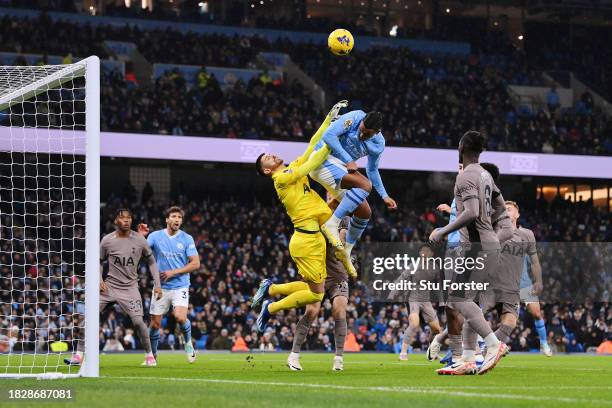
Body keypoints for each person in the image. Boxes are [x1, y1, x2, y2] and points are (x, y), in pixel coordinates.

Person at [251, 101, 352, 333]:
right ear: (267, 170)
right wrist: (332, 142)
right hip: (305, 241)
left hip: (315, 237)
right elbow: (312, 162)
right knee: (314, 294)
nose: (271, 155)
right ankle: (271, 306)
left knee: (314, 289)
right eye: (267, 157)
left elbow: (312, 145)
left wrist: (328, 120)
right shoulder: (280, 179)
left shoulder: (291, 167)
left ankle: (272, 290)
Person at [429, 131, 508, 375]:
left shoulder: (465, 177)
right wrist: (488, 226)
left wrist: (444, 230)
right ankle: (467, 359)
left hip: (478, 247)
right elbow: (501, 207)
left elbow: (472, 211)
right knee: (461, 300)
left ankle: (493, 344)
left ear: (461, 146)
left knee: (459, 298)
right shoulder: (486, 174)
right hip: (487, 244)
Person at [64, 209, 162, 367]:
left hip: (130, 288)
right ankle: (79, 355)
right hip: (109, 287)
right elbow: (98, 261)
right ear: (116, 220)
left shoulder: (140, 240)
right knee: (88, 318)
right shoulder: (107, 240)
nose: (126, 221)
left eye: (129, 218)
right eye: (123, 218)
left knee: (138, 322)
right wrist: (99, 278)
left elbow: (151, 261)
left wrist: (157, 284)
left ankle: (149, 355)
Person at [310, 109, 398, 277]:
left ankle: (346, 250)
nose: (361, 135)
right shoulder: (355, 117)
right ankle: (331, 223)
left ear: (377, 132)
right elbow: (329, 135)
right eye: (361, 130)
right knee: (365, 185)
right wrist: (348, 159)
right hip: (322, 160)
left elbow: (372, 169)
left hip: (340, 170)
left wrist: (384, 195)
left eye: (367, 134)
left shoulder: (379, 144)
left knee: (364, 212)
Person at [287, 193, 350, 372]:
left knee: (339, 310)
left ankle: (339, 358)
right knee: (312, 311)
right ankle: (294, 355)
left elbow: (342, 239)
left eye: (336, 191)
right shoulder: (315, 212)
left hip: (338, 274)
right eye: (330, 192)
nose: (334, 194)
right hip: (316, 272)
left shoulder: (344, 217)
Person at [137, 206, 201, 364]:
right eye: (173, 216)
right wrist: (140, 237)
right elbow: (139, 253)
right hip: (161, 287)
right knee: (155, 324)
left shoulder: (187, 238)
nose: (177, 219)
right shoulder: (155, 236)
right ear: (167, 219)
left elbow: (196, 264)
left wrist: (173, 272)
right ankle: (153, 356)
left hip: (180, 285)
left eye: (179, 217)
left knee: (180, 317)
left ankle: (188, 343)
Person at [514, 203, 552, 356]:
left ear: (517, 214)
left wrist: (539, 281)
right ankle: (486, 344)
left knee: (537, 313)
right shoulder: (498, 231)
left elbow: (534, 261)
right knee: (506, 320)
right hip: (505, 284)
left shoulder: (527, 234)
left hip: (524, 283)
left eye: (510, 209)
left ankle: (544, 343)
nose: (506, 211)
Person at [398, 244, 442, 362]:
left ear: (432, 254)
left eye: (427, 251)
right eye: (423, 251)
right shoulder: (414, 266)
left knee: (437, 329)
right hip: (413, 299)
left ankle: (431, 352)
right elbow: (402, 278)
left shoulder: (435, 267)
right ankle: (403, 352)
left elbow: (439, 284)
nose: (425, 253)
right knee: (414, 324)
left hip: (426, 300)